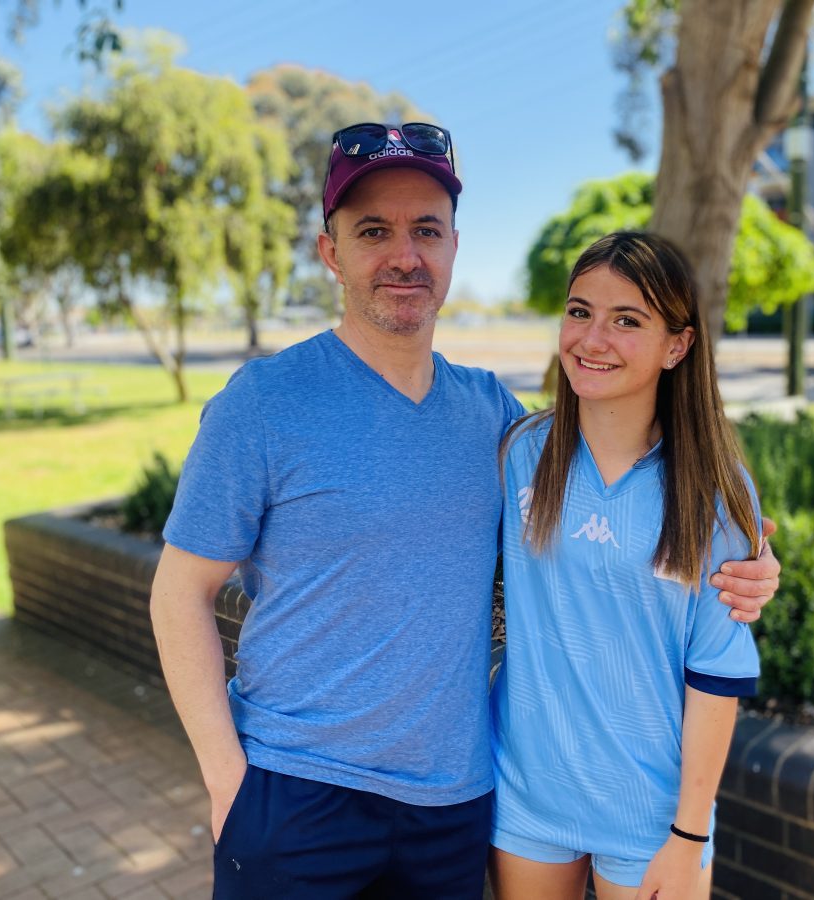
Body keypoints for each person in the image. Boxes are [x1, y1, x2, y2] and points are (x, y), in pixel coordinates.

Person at [149, 124, 780, 899]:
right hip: (295, 795)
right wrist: (227, 782)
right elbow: (180, 592)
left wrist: (749, 569)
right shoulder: (264, 403)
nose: (404, 255)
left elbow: (620, 485)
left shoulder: (497, 423)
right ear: (330, 252)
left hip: (453, 808)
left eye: (426, 230)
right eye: (373, 231)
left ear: (453, 248)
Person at [489, 232, 763, 900]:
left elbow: (717, 673)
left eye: (627, 320)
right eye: (580, 312)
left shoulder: (713, 492)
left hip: (652, 816)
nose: (592, 338)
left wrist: (690, 833)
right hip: (527, 794)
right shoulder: (520, 453)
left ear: (678, 345)